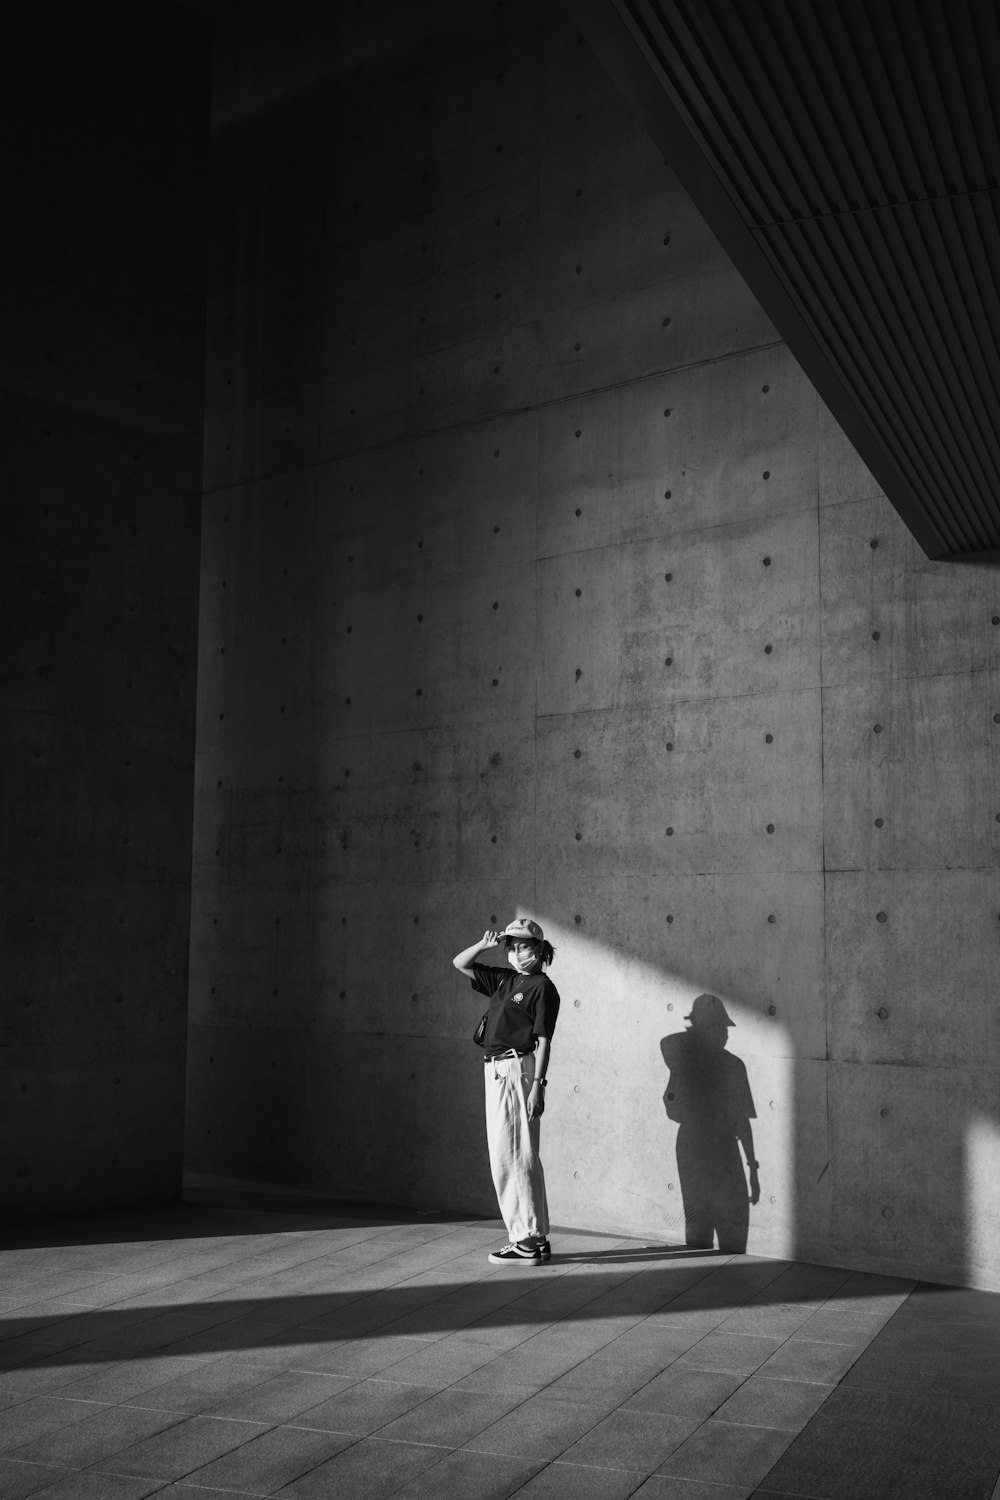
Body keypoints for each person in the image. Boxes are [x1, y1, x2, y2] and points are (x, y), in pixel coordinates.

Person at [453, 918, 560, 1264]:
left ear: (540, 950)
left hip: (516, 1069)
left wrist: (538, 1086)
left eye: (523, 946)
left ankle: (525, 1242)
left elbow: (544, 1041)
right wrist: (485, 944)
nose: (515, 952)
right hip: (498, 1070)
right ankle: (536, 1237)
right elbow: (461, 963)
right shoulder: (505, 980)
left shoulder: (543, 987)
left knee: (511, 1155)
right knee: (518, 1154)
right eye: (511, 946)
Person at [661, 992, 760, 1253]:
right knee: (699, 1225)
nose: (725, 1034)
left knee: (730, 1226)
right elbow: (668, 1042)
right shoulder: (688, 1058)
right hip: (697, 1145)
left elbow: (742, 1122)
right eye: (718, 1027)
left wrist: (753, 1167)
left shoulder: (731, 1065)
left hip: (718, 1146)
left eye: (724, 1028)